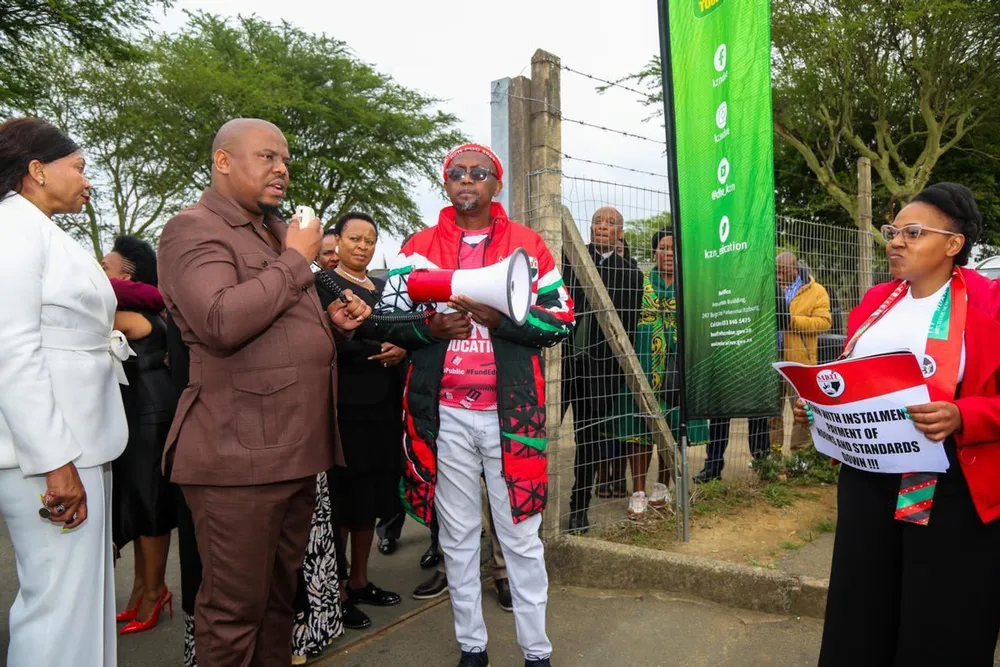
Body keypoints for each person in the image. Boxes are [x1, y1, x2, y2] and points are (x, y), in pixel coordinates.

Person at [156, 118, 371, 667]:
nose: (282, 169)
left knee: (278, 607)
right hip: (236, 459)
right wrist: (296, 259)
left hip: (293, 452)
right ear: (223, 161)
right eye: (267, 157)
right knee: (233, 616)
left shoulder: (271, 232)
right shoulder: (193, 229)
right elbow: (221, 321)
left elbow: (273, 325)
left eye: (286, 159)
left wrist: (330, 325)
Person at [377, 142, 574, 667]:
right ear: (446, 183)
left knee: (521, 536)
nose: (467, 180)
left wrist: (502, 321)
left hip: (511, 416)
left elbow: (562, 321)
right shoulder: (419, 246)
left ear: (496, 184)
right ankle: (472, 647)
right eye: (457, 173)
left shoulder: (528, 245)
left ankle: (537, 652)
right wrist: (431, 328)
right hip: (444, 417)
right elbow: (386, 319)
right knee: (458, 535)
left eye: (479, 173)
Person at [791, 183, 1000, 666]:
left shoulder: (989, 303)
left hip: (947, 481)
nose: (895, 242)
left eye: (913, 232)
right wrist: (821, 408)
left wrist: (964, 414)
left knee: (937, 610)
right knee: (863, 602)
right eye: (892, 232)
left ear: (953, 244)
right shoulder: (876, 301)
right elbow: (854, 379)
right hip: (867, 479)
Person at [0, 117, 130, 667]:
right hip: (51, 453)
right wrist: (55, 462)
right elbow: (12, 350)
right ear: (36, 170)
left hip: (81, 444)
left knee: (81, 603)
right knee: (57, 607)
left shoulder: (41, 229)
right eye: (78, 167)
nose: (86, 179)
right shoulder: (12, 228)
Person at [315, 211, 406, 630]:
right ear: (338, 241)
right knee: (343, 497)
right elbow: (324, 341)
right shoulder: (322, 285)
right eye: (355, 238)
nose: (363, 246)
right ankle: (336, 591)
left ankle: (360, 580)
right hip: (344, 406)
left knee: (371, 497)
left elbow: (402, 331)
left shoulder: (385, 288)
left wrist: (402, 350)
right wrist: (374, 349)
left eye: (369, 239)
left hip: (383, 406)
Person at [102, 235, 179, 635]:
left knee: (151, 508)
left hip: (150, 416)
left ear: (127, 276)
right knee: (139, 503)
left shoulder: (133, 316)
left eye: (105, 267)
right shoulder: (139, 309)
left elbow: (87, 320)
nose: (98, 272)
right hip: (140, 414)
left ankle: (155, 593)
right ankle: (140, 591)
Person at [563, 206, 644, 533]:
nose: (602, 227)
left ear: (620, 233)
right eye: (597, 221)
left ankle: (579, 508)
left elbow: (628, 329)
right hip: (561, 366)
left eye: (610, 223)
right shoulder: (568, 260)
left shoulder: (630, 275)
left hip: (599, 372)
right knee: (540, 434)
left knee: (588, 442)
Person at [619, 228, 708, 518]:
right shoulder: (640, 282)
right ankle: (638, 491)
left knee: (673, 427)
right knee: (640, 430)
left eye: (674, 249)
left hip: (678, 368)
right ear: (654, 252)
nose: (669, 253)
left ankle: (662, 486)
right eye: (664, 248)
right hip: (644, 365)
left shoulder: (690, 286)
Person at [774, 252, 830, 451]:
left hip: (799, 360)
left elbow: (824, 322)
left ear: (795, 270)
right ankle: (773, 458)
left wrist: (792, 322)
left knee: (801, 411)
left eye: (783, 272)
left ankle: (799, 458)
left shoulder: (816, 291)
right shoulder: (771, 288)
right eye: (776, 272)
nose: (779, 276)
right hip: (772, 357)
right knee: (772, 413)